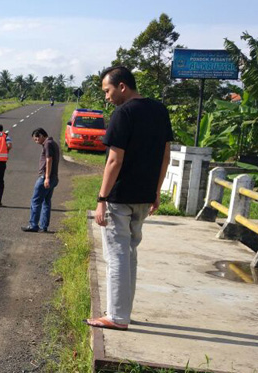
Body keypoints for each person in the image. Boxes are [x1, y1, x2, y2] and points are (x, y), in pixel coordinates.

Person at [84, 66, 172, 331]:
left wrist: (102, 198)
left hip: (120, 197)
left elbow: (114, 159)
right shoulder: (159, 110)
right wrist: (156, 191)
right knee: (130, 253)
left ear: (122, 86)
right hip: (145, 195)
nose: (107, 97)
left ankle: (117, 317)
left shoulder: (123, 113)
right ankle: (122, 312)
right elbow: (165, 155)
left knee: (117, 255)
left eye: (108, 91)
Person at [21, 128, 59, 233]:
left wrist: (46, 177)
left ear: (42, 135)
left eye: (36, 139)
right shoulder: (53, 143)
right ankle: (43, 226)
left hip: (46, 178)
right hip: (54, 177)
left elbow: (49, 159)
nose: (36, 141)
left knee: (36, 201)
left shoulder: (48, 144)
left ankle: (33, 225)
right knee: (46, 202)